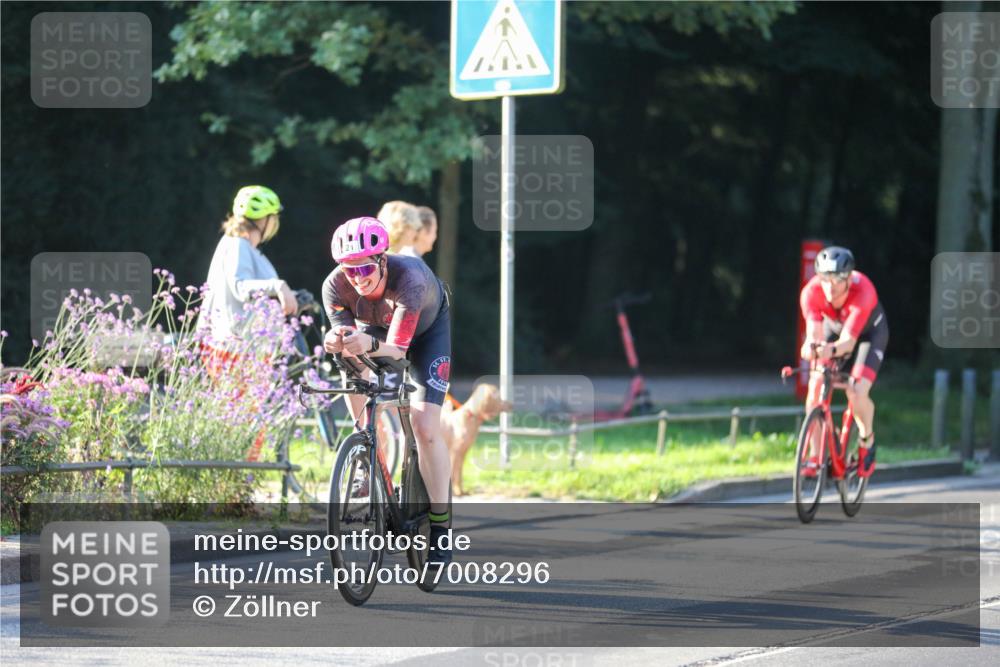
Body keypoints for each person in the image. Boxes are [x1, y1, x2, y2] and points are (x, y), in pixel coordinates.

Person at [322, 216, 454, 564]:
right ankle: (366, 455)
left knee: (426, 427)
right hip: (375, 328)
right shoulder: (334, 286)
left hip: (424, 334)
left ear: (382, 259)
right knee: (351, 361)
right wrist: (334, 340)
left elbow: (397, 350)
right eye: (349, 271)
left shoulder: (409, 278)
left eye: (365, 268)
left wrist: (365, 341)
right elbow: (348, 340)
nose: (358, 278)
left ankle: (441, 529)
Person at [197, 185, 298, 460]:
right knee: (243, 421)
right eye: (273, 218)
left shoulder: (243, 248)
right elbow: (241, 287)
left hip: (246, 348)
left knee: (247, 420)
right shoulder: (237, 245)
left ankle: (238, 489)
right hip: (236, 348)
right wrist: (277, 285)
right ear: (265, 220)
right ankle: (233, 490)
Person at [799, 246, 888, 478]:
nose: (831, 286)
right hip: (834, 328)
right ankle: (815, 456)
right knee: (816, 386)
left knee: (857, 391)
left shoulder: (864, 290)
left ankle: (867, 441)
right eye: (825, 279)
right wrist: (811, 348)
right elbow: (814, 334)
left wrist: (827, 350)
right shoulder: (810, 293)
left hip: (869, 334)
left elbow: (848, 343)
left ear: (849, 278)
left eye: (838, 280)